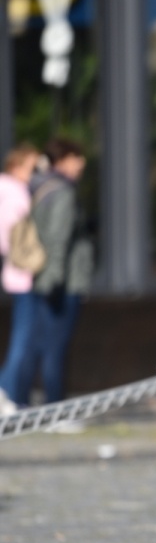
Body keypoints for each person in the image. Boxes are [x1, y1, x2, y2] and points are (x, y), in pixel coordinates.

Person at [21, 135, 93, 407]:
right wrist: (54, 281)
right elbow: (58, 240)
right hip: (63, 282)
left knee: (43, 345)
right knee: (56, 348)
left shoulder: (40, 188)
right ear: (61, 161)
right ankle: (56, 409)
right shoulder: (63, 192)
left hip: (46, 279)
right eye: (76, 157)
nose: (81, 162)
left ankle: (33, 402)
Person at [0, 143, 39, 413]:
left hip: (22, 273)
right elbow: (9, 236)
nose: (34, 173)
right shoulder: (11, 190)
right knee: (22, 338)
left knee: (27, 338)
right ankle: (7, 392)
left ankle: (16, 394)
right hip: (22, 273)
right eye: (30, 167)